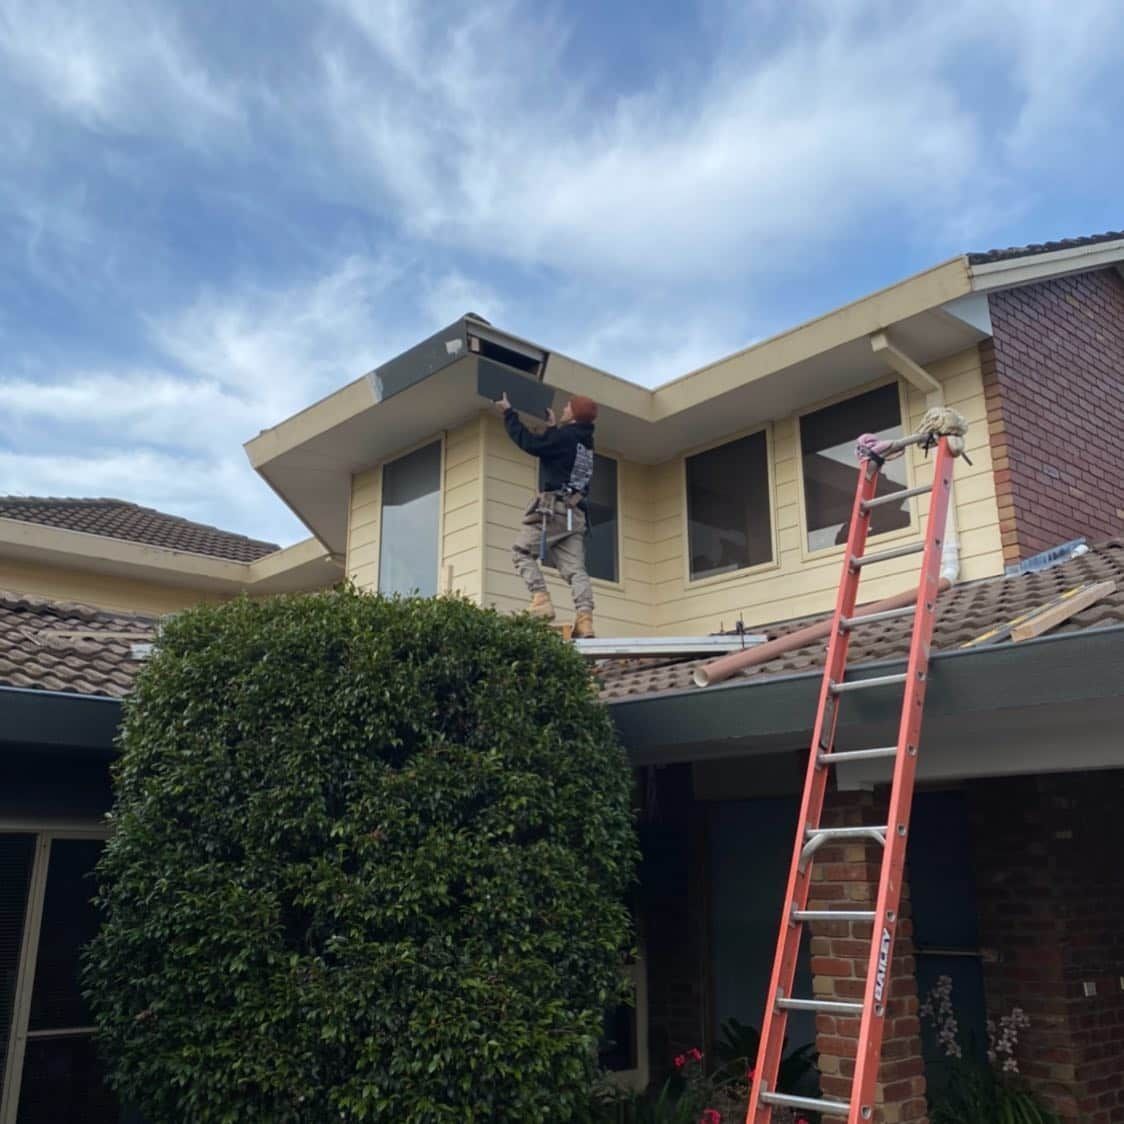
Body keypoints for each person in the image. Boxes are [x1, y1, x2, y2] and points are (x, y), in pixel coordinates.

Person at [494, 391, 599, 638]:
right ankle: (585, 620)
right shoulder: (586, 443)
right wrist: (553, 428)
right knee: (575, 570)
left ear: (574, 414)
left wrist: (509, 413)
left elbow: (531, 444)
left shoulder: (565, 438)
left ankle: (540, 599)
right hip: (576, 515)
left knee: (521, 552)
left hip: (555, 510)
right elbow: (562, 456)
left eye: (567, 408)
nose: (563, 410)